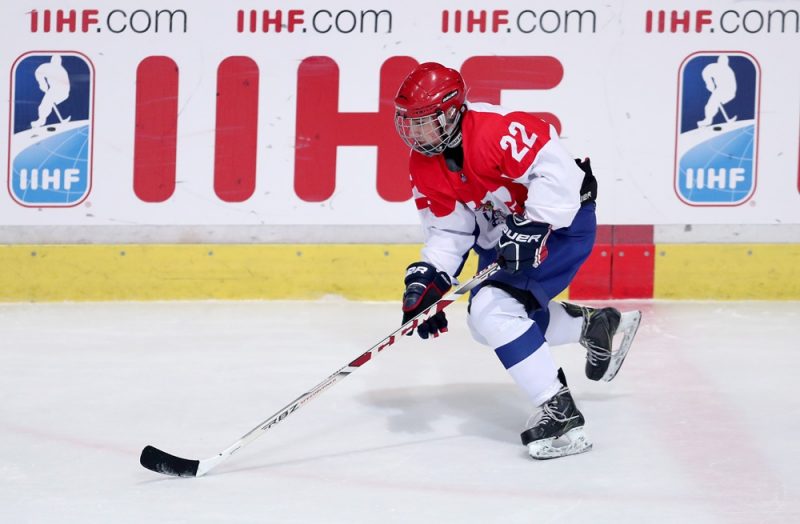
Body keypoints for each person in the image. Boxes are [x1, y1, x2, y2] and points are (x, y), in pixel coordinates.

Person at [393, 62, 641, 460]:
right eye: (411, 123)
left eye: (427, 122)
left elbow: (558, 172)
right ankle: (593, 326)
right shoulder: (422, 165)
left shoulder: (494, 130)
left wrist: (535, 223)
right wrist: (429, 280)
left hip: (558, 226)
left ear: (454, 111)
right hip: (505, 238)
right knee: (482, 323)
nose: (417, 133)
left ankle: (557, 409)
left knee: (493, 308)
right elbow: (451, 231)